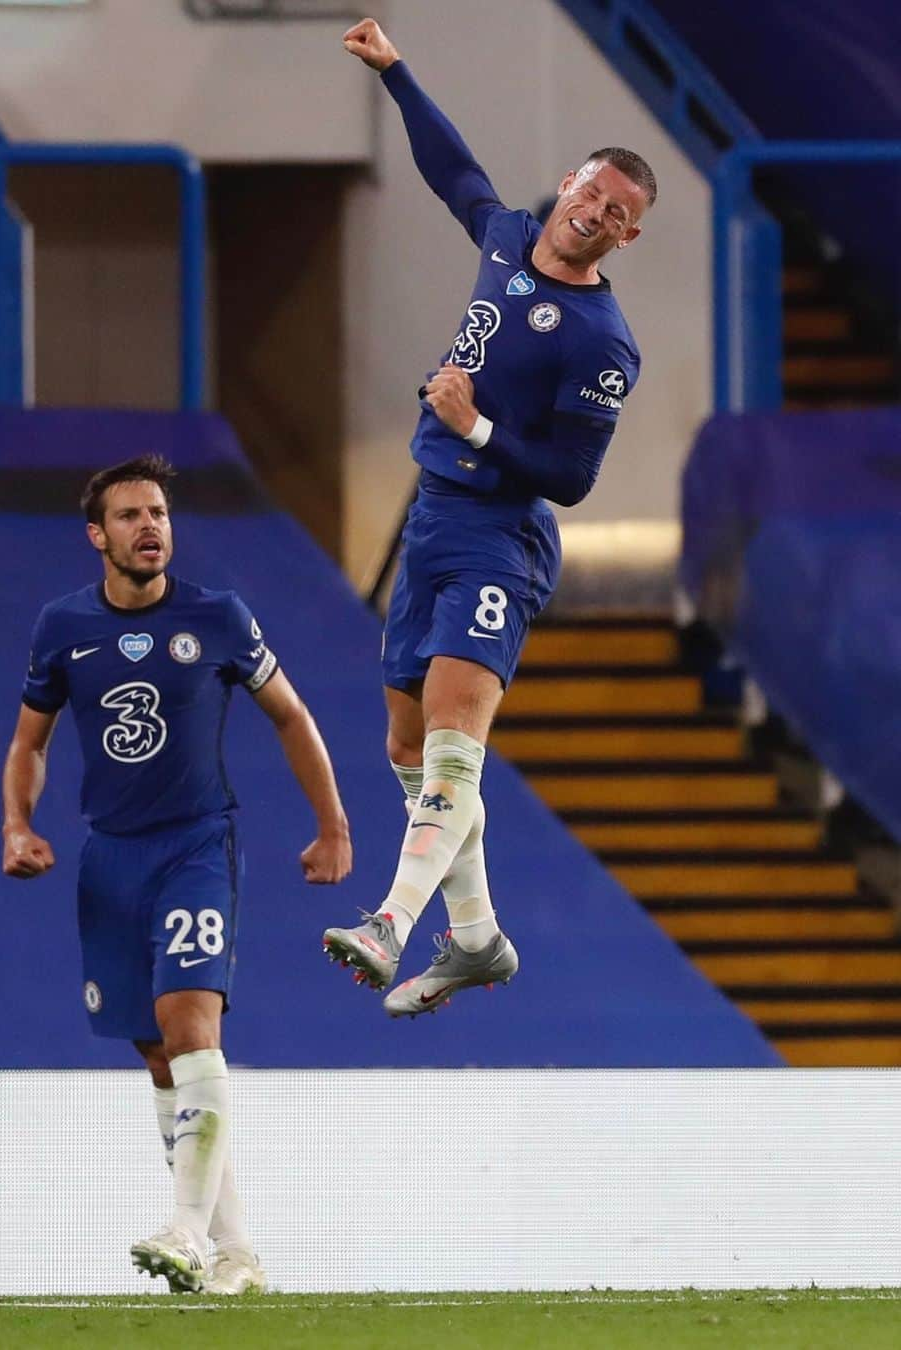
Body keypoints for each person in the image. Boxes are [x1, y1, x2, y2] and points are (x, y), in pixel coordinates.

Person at [323, 19, 656, 1018]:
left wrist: (474, 429)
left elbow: (572, 477)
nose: (594, 211)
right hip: (432, 523)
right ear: (569, 183)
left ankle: (389, 922)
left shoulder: (603, 342)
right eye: (593, 189)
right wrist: (395, 74)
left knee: (456, 744)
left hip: (498, 540)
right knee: (405, 749)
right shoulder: (511, 234)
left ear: (627, 236)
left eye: (618, 211)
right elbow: (453, 173)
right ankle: (474, 938)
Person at [2, 454, 352, 1295]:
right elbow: (29, 743)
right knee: (160, 1055)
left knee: (191, 1026)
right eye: (129, 516)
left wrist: (332, 825)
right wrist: (18, 823)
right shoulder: (63, 627)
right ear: (98, 536)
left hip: (196, 845)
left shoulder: (219, 618)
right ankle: (236, 1254)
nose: (149, 526)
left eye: (158, 512)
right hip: (108, 857)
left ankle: (188, 1233)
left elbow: (292, 716)